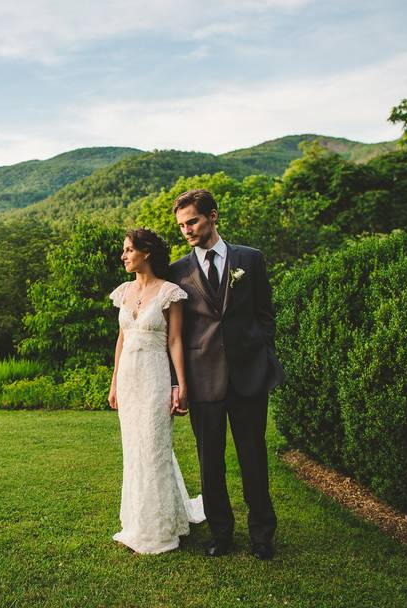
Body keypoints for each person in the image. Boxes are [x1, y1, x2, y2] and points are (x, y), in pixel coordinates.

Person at [169, 189, 284, 561]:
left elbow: (265, 314)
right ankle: (221, 533)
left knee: (254, 457)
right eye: (182, 225)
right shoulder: (177, 271)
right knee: (210, 461)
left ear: (213, 216)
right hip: (203, 381)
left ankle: (262, 534)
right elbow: (177, 334)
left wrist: (262, 352)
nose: (187, 230)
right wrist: (179, 381)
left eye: (193, 221)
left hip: (249, 375)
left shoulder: (250, 259)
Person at [108, 227, 205, 554]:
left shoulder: (170, 293)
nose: (123, 256)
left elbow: (175, 341)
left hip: (155, 377)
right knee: (134, 450)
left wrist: (181, 385)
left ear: (145, 252)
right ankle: (138, 521)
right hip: (128, 379)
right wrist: (113, 382)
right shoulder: (122, 292)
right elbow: (121, 339)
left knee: (154, 447)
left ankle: (160, 528)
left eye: (128, 250)